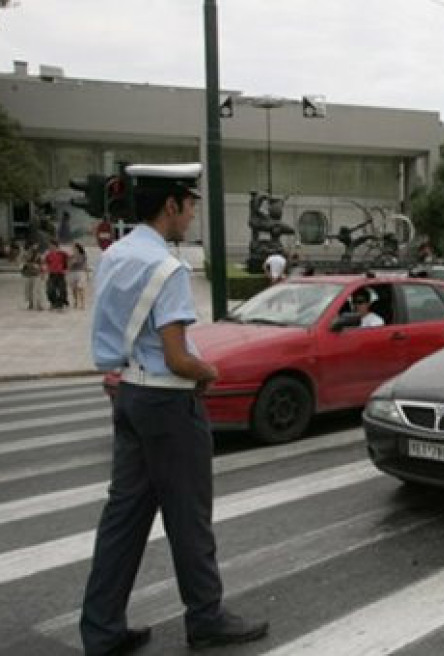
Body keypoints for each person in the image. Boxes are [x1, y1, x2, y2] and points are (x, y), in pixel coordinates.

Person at [82, 163, 268, 655]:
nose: (191, 215)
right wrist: (210, 372)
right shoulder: (167, 268)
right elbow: (179, 356)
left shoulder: (115, 256)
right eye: (189, 205)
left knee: (122, 518)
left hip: (129, 394)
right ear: (171, 206)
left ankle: (101, 630)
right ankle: (205, 618)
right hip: (167, 401)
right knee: (189, 517)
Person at [43, 238, 70, 310]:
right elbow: (46, 263)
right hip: (52, 274)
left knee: (62, 289)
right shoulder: (48, 255)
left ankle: (61, 303)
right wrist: (45, 269)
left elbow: (69, 260)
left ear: (55, 246)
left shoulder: (62, 254)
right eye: (49, 246)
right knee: (50, 290)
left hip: (60, 273)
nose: (50, 247)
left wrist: (67, 269)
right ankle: (53, 302)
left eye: (51, 245)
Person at [21, 243, 45, 311]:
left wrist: (42, 273)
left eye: (36, 245)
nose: (35, 247)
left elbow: (41, 264)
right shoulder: (25, 254)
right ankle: (31, 303)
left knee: (37, 290)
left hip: (36, 274)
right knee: (29, 290)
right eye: (34, 245)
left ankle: (39, 304)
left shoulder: (38, 255)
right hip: (28, 274)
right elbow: (22, 263)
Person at [69, 242, 90, 310]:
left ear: (78, 248)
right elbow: (69, 265)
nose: (73, 249)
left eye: (75, 248)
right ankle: (75, 302)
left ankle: (83, 303)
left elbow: (85, 265)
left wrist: (87, 274)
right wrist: (71, 262)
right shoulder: (71, 256)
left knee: (80, 288)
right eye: (73, 248)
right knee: (74, 289)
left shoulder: (83, 255)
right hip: (73, 272)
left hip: (80, 272)